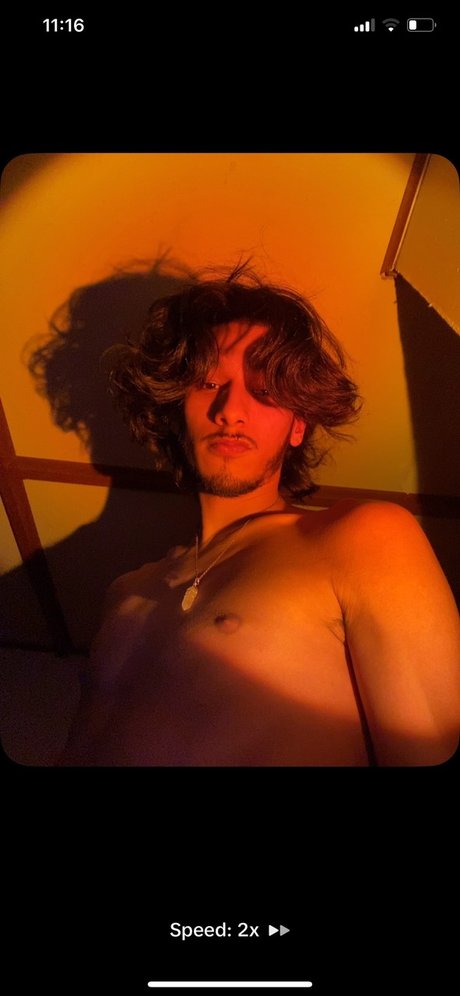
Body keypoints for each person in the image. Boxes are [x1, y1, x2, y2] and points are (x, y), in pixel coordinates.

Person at [57, 263, 460, 766]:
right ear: (176, 411)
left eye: (265, 390)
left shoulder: (362, 539)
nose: (231, 409)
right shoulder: (124, 589)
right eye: (209, 383)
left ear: (298, 426)